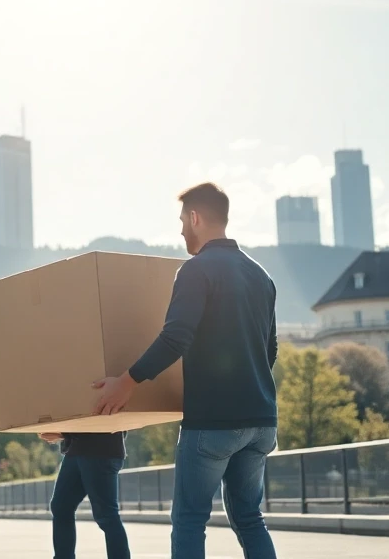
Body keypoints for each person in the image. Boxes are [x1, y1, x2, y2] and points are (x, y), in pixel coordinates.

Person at [92, 182, 280, 559]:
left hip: (213, 423)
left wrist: (127, 382)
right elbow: (269, 349)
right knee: (249, 518)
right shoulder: (262, 276)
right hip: (262, 421)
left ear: (195, 218)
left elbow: (175, 337)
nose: (180, 231)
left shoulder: (196, 271)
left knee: (191, 519)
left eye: (182, 221)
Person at [40, 431, 130, 559]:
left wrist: (64, 434)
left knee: (106, 515)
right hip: (75, 450)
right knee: (61, 507)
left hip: (100, 451)